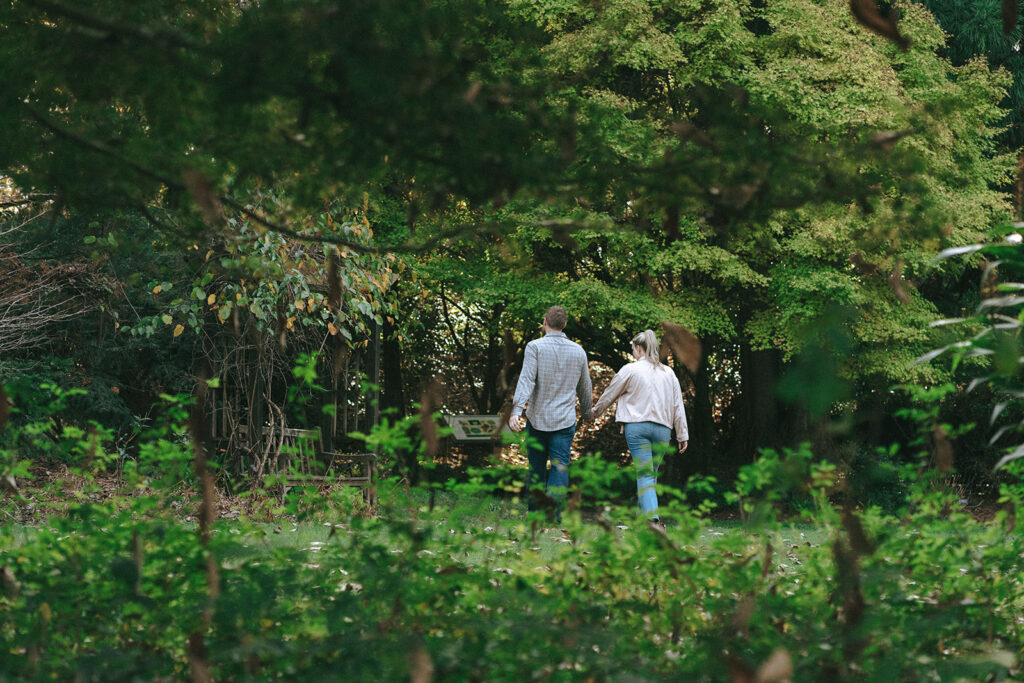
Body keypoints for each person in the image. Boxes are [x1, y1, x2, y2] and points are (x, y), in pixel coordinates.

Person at [593, 329, 689, 525]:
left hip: (637, 427)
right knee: (649, 476)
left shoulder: (630, 370)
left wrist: (594, 412)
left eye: (633, 349)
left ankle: (653, 521)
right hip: (662, 430)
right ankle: (641, 522)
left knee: (645, 475)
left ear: (638, 348)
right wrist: (682, 435)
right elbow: (677, 406)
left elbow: (610, 394)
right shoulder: (668, 373)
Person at [508, 305, 593, 521]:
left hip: (537, 419)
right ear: (564, 325)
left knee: (536, 469)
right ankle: (554, 516)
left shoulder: (534, 347)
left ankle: (536, 514)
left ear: (545, 323)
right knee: (560, 468)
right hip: (564, 421)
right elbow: (585, 387)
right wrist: (586, 411)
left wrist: (516, 410)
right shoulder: (579, 351)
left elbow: (526, 379)